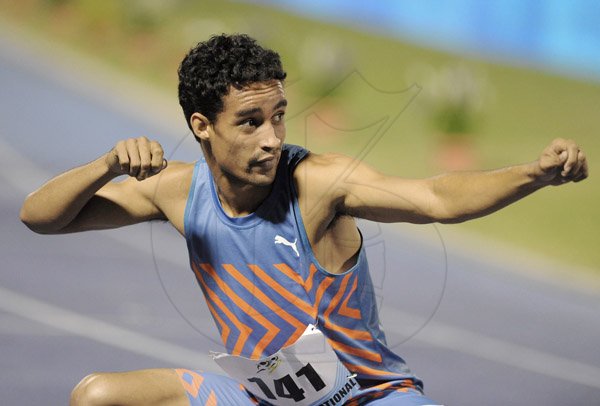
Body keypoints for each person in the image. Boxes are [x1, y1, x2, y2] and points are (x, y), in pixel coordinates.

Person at [20, 34, 588, 406]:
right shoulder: (173, 192)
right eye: (249, 123)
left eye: (279, 117)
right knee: (96, 396)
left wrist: (533, 174)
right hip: (263, 398)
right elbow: (40, 218)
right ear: (201, 125)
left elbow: (436, 197)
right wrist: (105, 165)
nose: (271, 139)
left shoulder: (318, 183)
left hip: (368, 395)